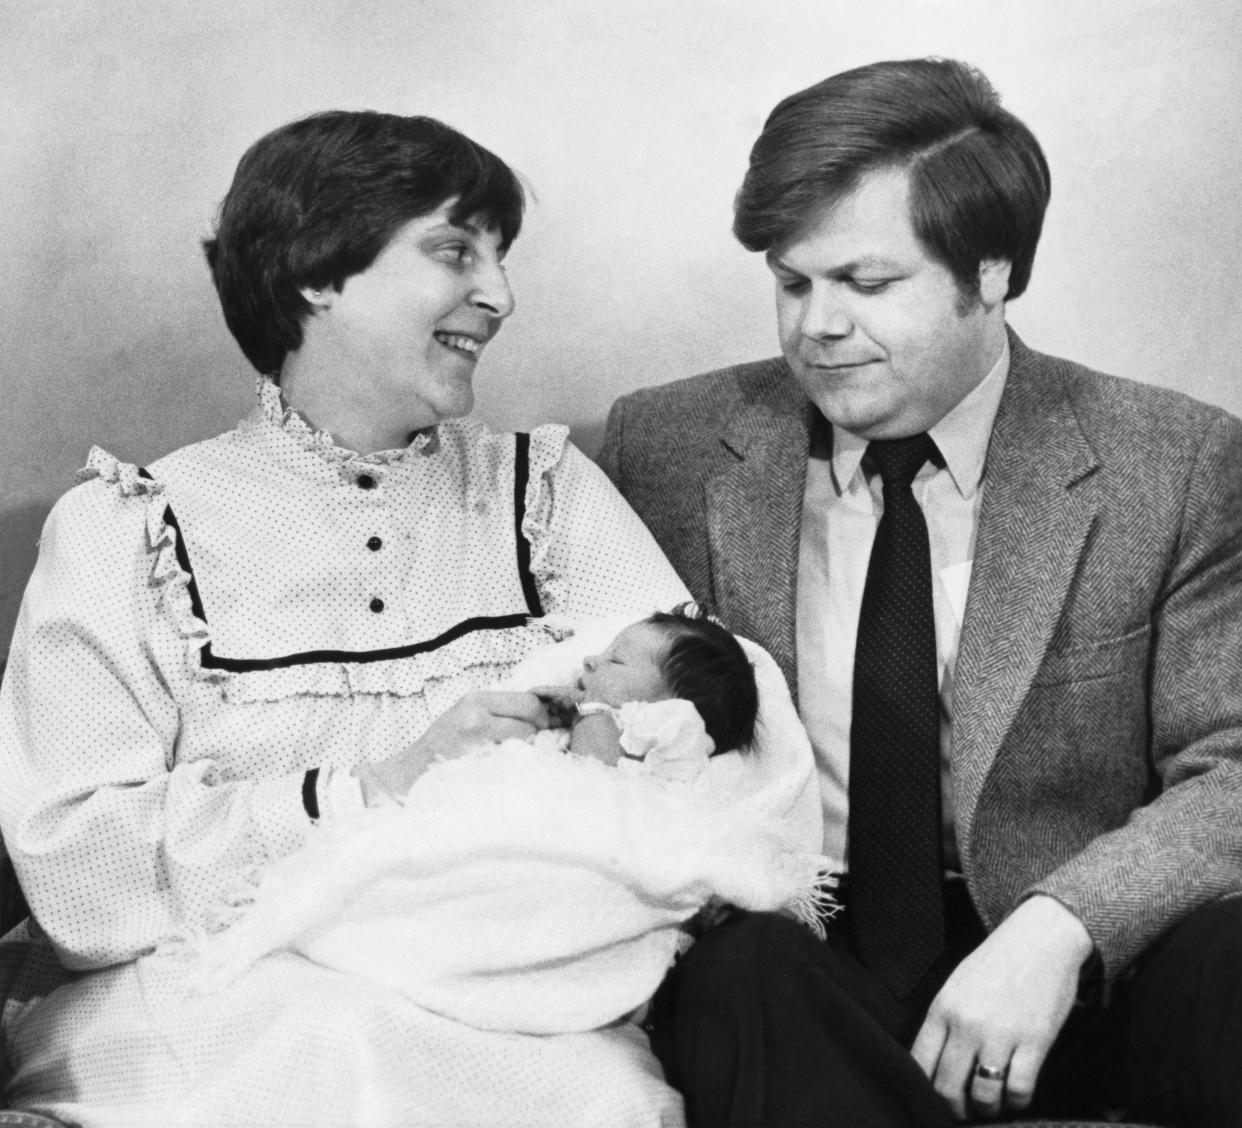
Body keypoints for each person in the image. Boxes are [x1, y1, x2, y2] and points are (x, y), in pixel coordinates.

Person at [0, 109, 704, 1127]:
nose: (499, 296)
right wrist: (367, 791)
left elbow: (699, 727)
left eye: (502, 258)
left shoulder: (545, 497)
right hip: (218, 994)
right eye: (456, 250)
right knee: (346, 1053)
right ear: (315, 274)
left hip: (507, 992)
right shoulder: (127, 532)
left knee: (605, 1100)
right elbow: (77, 870)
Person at [599, 57, 1242, 1127]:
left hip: (1073, 961)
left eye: (866, 282)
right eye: (793, 281)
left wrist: (1059, 926)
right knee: (736, 973)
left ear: (989, 273)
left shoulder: (1172, 462)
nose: (816, 326)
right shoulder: (668, 446)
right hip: (800, 957)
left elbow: (1234, 760)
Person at [187, 606, 821, 1044]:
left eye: (617, 662)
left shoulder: (640, 732)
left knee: (473, 875)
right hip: (528, 815)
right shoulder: (602, 712)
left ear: (671, 704)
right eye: (599, 655)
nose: (592, 665)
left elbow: (590, 787)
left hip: (579, 847)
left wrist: (586, 716)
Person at [541, 603, 760, 772]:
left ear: (671, 710)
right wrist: (536, 710)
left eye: (615, 660)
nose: (589, 660)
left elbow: (595, 780)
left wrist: (589, 708)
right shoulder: (581, 721)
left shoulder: (658, 751)